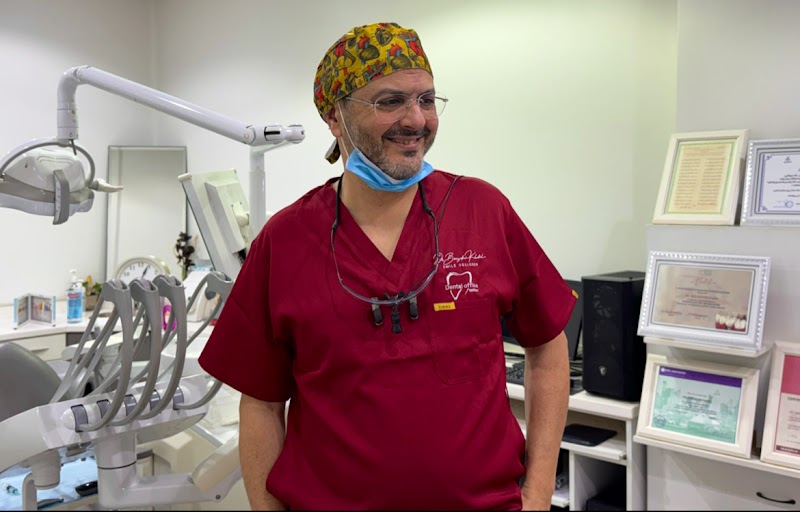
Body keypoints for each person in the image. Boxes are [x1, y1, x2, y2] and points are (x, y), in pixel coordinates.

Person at [199, 21, 575, 511]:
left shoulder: (482, 211)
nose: (416, 119)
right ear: (335, 117)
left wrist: (539, 494)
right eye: (390, 101)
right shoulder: (286, 240)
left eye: (427, 100)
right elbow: (261, 402)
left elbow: (547, 346)